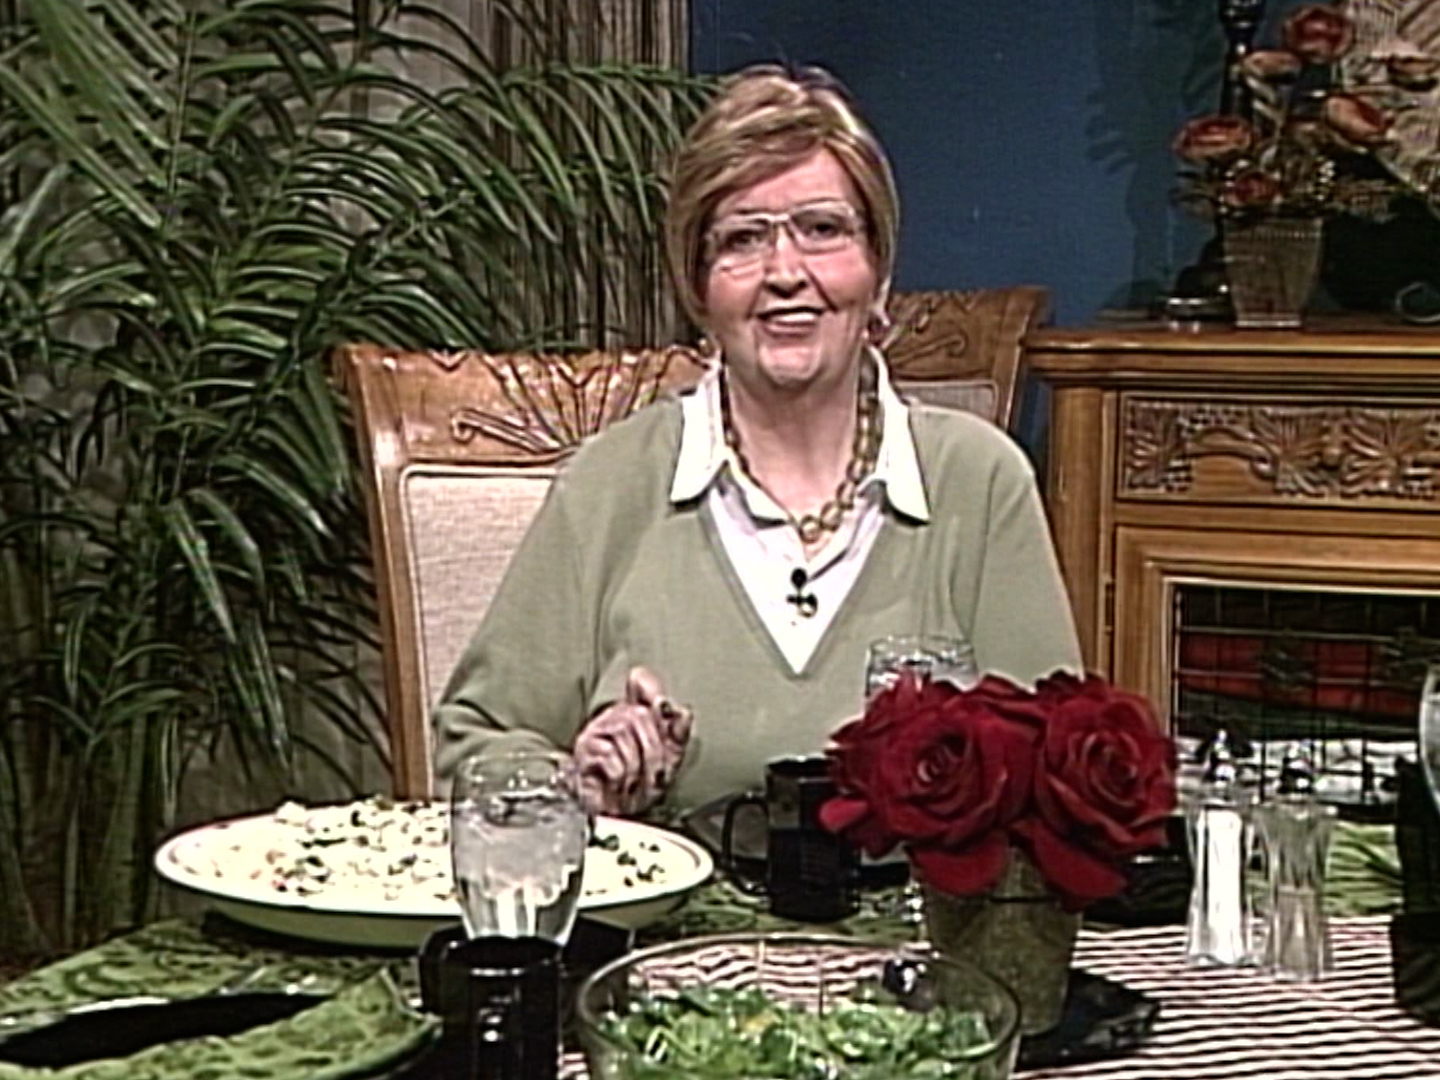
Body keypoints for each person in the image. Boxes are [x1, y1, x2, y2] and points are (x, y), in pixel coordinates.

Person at [433, 65, 1081, 815]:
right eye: (743, 238)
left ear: (877, 273)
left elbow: (1057, 772)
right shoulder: (611, 483)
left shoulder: (980, 482)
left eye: (823, 229)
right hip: (675, 896)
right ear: (700, 289)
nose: (784, 272)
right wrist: (578, 785)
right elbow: (472, 748)